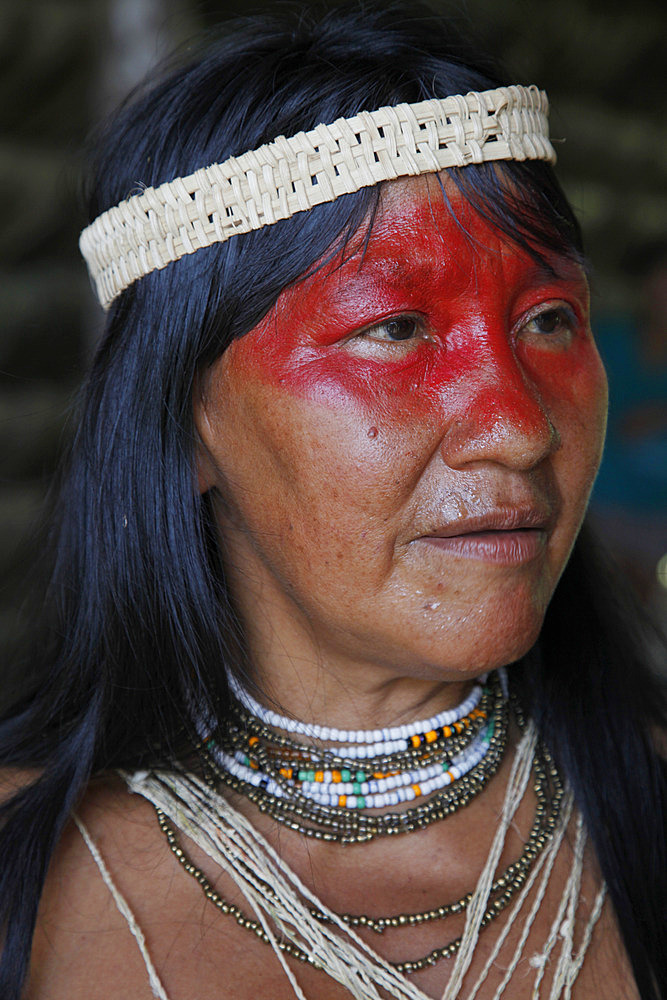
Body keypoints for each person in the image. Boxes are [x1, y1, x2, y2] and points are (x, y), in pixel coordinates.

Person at [0, 4, 665, 999]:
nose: (518, 427)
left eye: (547, 318)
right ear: (183, 426)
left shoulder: (644, 823)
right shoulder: (29, 879)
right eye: (394, 327)